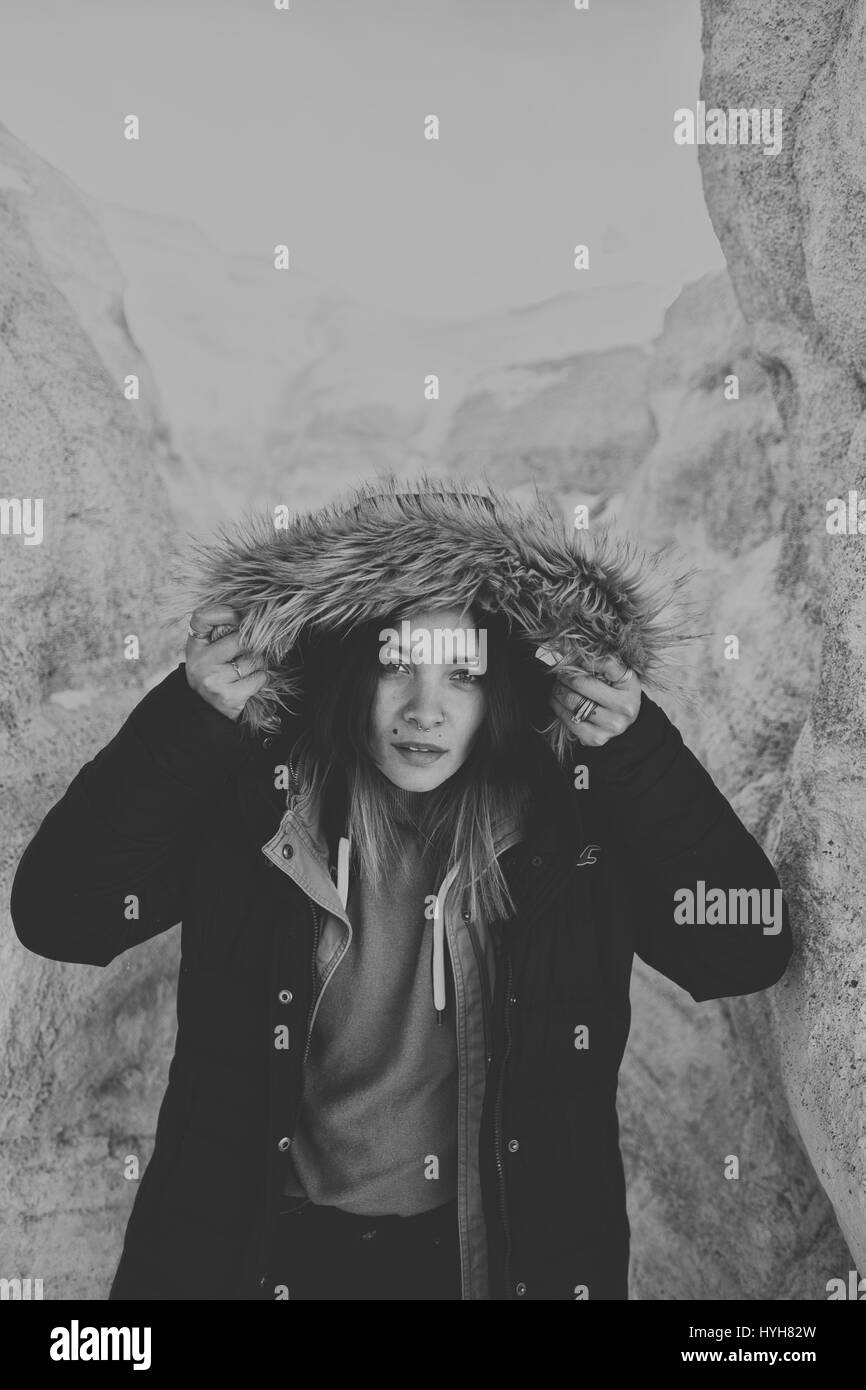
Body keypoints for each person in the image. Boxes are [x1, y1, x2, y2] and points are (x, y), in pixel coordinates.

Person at [10, 479, 793, 1301]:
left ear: (506, 691)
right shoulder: (258, 802)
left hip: (487, 1265)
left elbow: (745, 948)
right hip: (254, 1255)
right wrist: (190, 716)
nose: (425, 711)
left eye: (462, 676)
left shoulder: (572, 830)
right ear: (349, 674)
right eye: (397, 669)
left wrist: (639, 755)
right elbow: (62, 916)